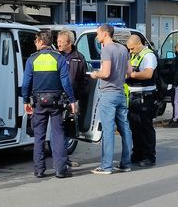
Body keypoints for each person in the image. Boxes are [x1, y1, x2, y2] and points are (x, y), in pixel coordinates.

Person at [22, 30, 77, 179]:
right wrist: (72, 101)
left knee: (39, 136)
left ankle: (39, 170)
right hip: (56, 102)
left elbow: (26, 83)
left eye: (35, 41)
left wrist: (25, 101)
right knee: (58, 135)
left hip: (38, 103)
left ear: (40, 42)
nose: (35, 43)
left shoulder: (32, 60)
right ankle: (60, 170)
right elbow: (66, 82)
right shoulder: (58, 58)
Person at [89, 24, 133, 175]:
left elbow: (106, 73)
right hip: (120, 92)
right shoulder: (122, 49)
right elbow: (129, 71)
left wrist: (96, 74)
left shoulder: (106, 50)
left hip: (108, 94)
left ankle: (106, 166)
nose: (96, 36)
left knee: (108, 131)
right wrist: (119, 77)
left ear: (105, 34)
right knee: (125, 129)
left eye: (98, 33)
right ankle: (126, 163)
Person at [56, 29, 89, 168]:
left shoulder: (79, 58)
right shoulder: (56, 56)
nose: (58, 44)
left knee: (69, 130)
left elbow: (84, 80)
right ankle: (61, 160)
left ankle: (65, 160)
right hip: (57, 98)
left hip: (72, 100)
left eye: (60, 42)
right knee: (58, 130)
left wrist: (78, 99)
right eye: (57, 41)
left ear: (69, 42)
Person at [125, 33, 158, 167]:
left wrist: (132, 74)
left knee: (145, 127)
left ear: (139, 44)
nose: (130, 51)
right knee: (135, 127)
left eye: (132, 48)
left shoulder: (148, 55)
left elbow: (148, 73)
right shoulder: (135, 55)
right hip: (134, 95)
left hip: (145, 95)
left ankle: (149, 156)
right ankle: (137, 153)